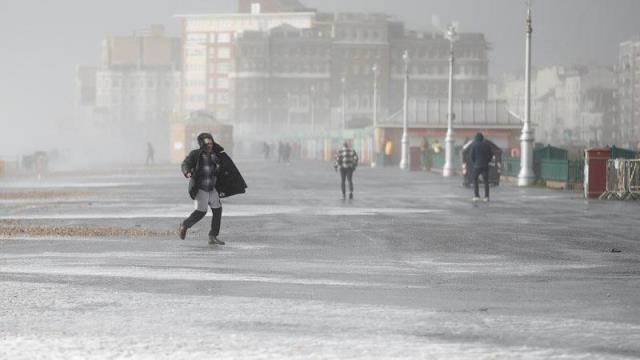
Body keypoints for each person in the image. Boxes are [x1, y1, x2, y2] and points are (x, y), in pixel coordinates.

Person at [178, 133, 247, 245]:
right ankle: (185, 225)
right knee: (201, 212)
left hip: (212, 188)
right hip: (200, 188)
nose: (209, 145)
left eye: (211, 143)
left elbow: (227, 167)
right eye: (207, 143)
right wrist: (187, 172)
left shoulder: (217, 155)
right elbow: (185, 164)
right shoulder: (196, 154)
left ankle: (213, 236)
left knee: (217, 210)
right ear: (202, 144)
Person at [470, 132, 494, 202]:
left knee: (475, 180)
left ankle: (476, 195)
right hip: (485, 165)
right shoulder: (487, 145)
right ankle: (486, 197)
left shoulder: (474, 145)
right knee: (486, 181)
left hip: (477, 166)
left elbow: (472, 156)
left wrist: (474, 163)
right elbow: (491, 155)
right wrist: (488, 161)